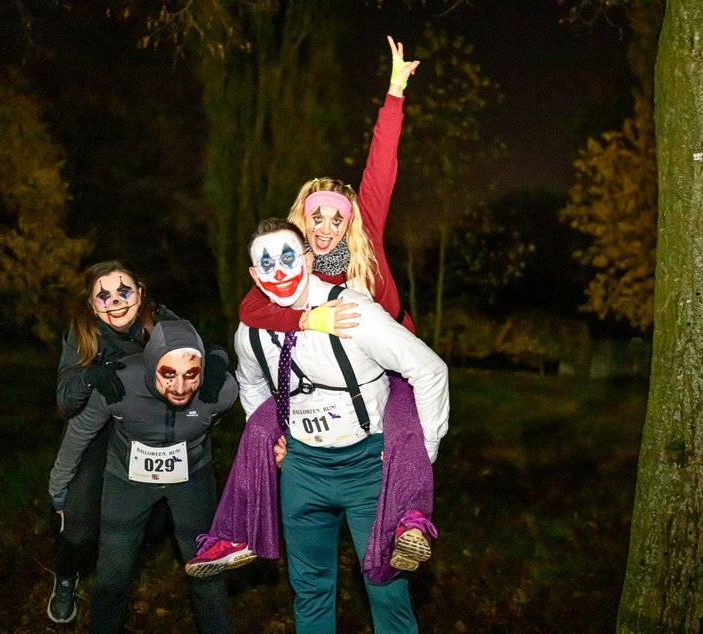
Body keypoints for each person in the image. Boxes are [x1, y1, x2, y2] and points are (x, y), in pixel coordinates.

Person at [187, 35, 438, 582]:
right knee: (256, 426)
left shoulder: (363, 235)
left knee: (405, 430)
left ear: (347, 222)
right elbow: (250, 309)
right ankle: (233, 531)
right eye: (315, 219)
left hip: (388, 366)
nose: (325, 228)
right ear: (302, 224)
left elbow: (380, 168)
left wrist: (394, 93)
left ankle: (412, 520)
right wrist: (306, 317)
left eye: (334, 218)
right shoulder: (290, 268)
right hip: (315, 386)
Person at [226, 219, 449, 632]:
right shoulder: (249, 333)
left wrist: (420, 455)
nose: (279, 271)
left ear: (309, 260)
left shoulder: (354, 312)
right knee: (309, 589)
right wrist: (275, 435)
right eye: (267, 263)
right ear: (254, 276)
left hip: (369, 467)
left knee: (386, 589)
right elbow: (250, 382)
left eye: (289, 257)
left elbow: (430, 370)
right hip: (303, 470)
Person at [46, 261, 226, 624]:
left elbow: (202, 347)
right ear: (91, 304)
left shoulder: (159, 318)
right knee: (80, 528)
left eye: (124, 291)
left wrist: (217, 364)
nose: (115, 301)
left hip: (148, 427)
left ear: (140, 293)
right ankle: (67, 576)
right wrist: (88, 376)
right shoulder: (82, 333)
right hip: (98, 426)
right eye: (104, 296)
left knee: (158, 518)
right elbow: (66, 402)